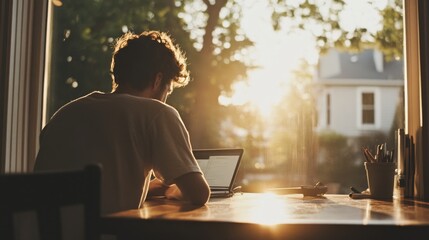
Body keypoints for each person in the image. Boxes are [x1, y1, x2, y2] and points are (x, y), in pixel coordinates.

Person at [34, 30, 211, 214]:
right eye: (168, 91)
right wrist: (175, 189)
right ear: (157, 80)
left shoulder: (65, 113)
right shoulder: (156, 113)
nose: (166, 98)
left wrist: (151, 188)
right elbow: (199, 193)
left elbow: (88, 191)